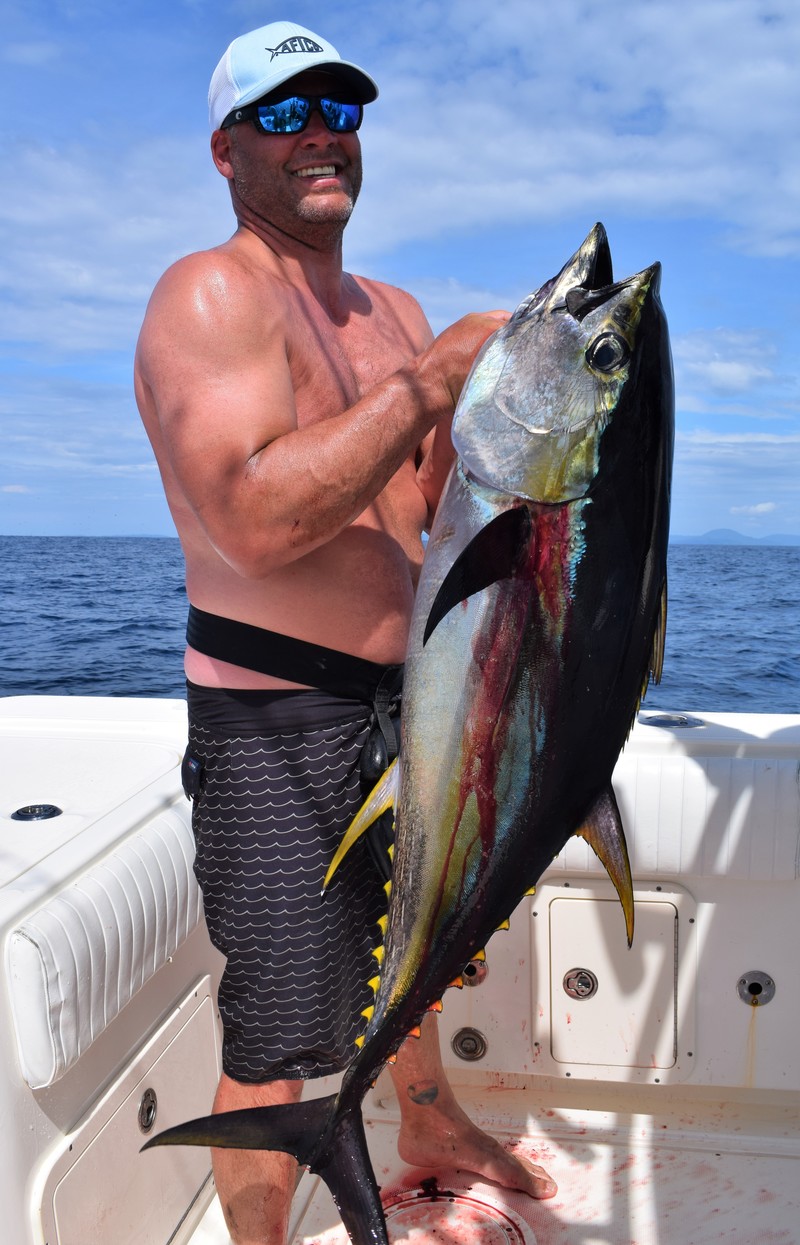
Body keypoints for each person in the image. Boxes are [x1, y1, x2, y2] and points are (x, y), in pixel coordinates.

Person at [135, 19, 557, 1245]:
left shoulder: (395, 310)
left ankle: (427, 1124)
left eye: (339, 111)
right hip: (277, 717)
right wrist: (427, 386)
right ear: (226, 152)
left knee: (417, 957)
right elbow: (254, 521)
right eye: (282, 116)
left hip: (420, 700)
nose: (319, 135)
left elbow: (420, 511)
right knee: (280, 1030)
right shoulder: (210, 292)